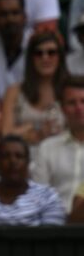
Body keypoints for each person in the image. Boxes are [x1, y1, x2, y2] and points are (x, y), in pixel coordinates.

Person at [0, 135, 66, 226]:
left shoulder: (48, 197)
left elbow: (52, 242)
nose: (12, 161)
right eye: (5, 156)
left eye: (19, 156)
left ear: (28, 162)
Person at [2, 31, 67, 156]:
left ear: (60, 57)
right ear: (31, 58)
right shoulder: (14, 91)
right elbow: (5, 133)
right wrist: (37, 130)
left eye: (51, 52)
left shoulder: (72, 90)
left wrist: (26, 129)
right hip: (23, 159)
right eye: (39, 53)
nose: (45, 57)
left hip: (64, 158)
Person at [33, 76, 84, 213]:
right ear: (62, 108)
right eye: (72, 103)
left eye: (83, 101)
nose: (79, 108)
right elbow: (38, 196)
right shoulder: (47, 148)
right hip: (55, 228)